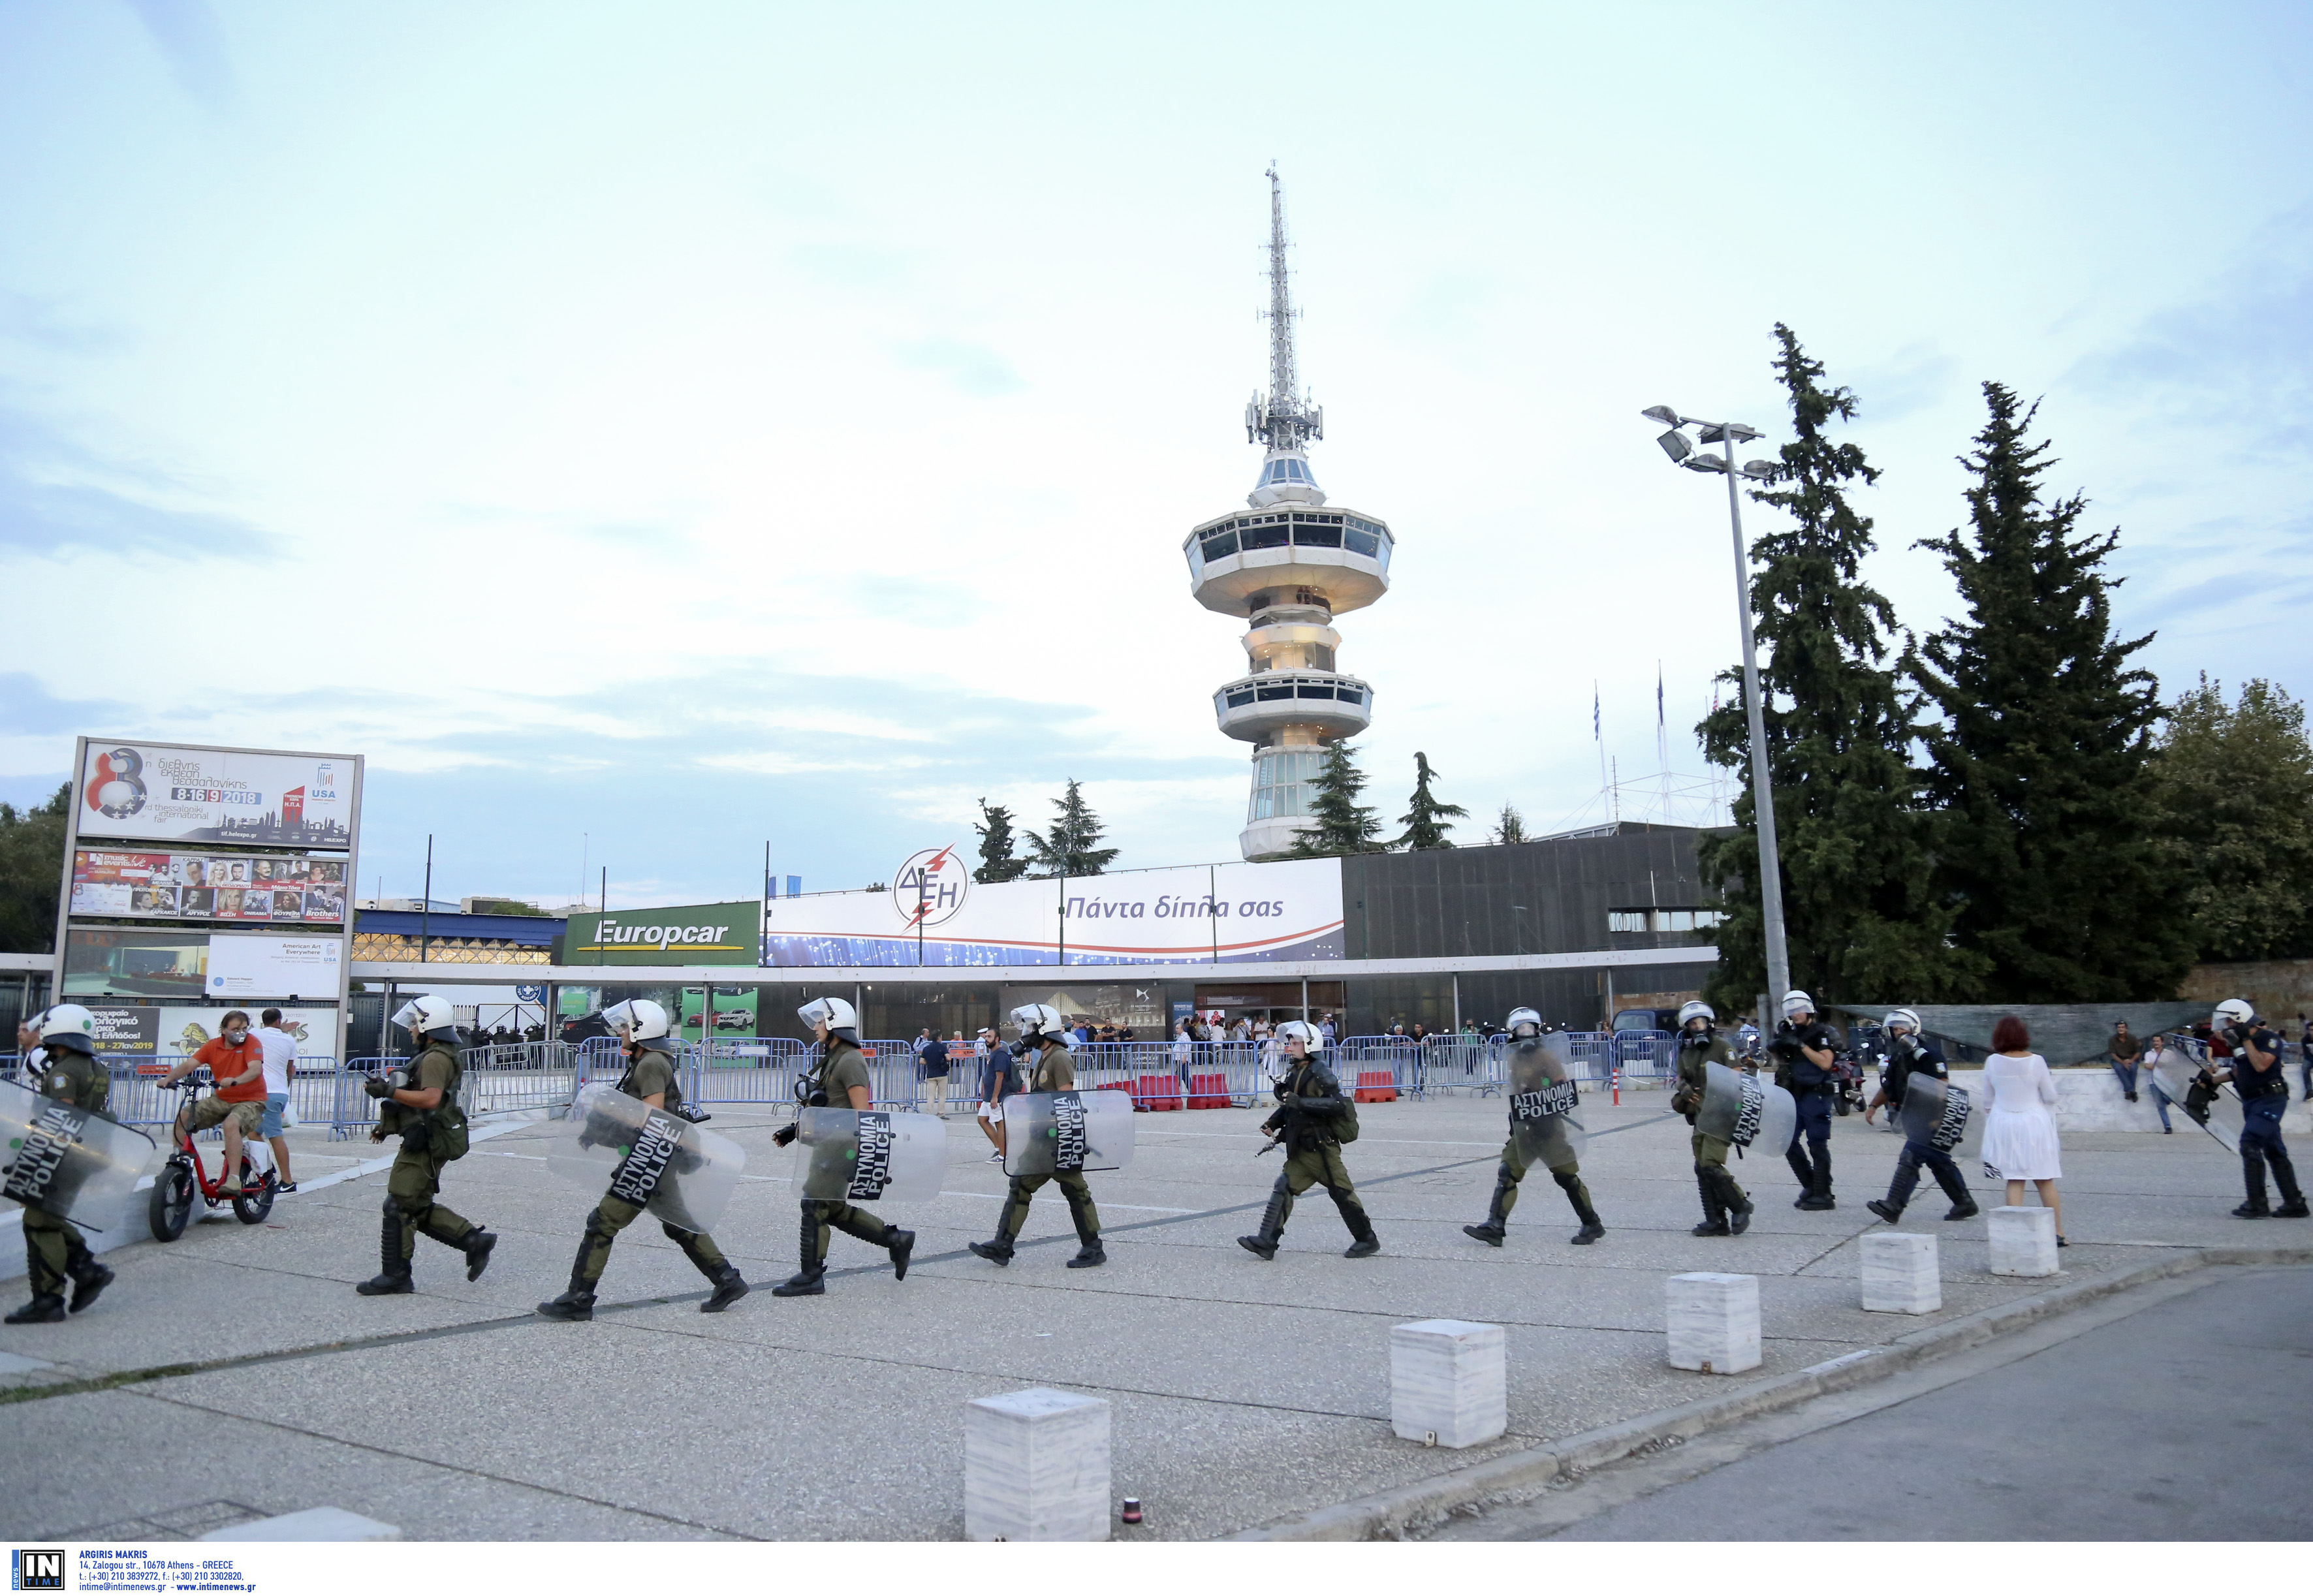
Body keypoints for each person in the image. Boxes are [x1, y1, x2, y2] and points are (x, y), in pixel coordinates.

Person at [536, 999, 747, 1321]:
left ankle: (579, 1299)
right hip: (657, 1156)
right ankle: (727, 1279)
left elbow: (653, 1114)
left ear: (640, 1030)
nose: (621, 1031)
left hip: (650, 1156)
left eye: (625, 1026)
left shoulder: (650, 1063)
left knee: (603, 1223)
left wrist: (611, 1112)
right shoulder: (651, 1060)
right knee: (679, 1224)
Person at [768, 996, 915, 1295]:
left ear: (835, 1023)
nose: (816, 1027)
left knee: (813, 1202)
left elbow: (862, 1113)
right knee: (831, 1208)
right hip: (829, 1142)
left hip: (841, 1146)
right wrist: (795, 1130)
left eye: (821, 1021)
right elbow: (829, 1103)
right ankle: (896, 1240)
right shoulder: (833, 1057)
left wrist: (860, 1154)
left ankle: (811, 1275)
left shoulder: (850, 1060)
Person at [356, 995, 496, 1294]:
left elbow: (431, 1099)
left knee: (399, 1203)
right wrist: (386, 1124)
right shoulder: (435, 1054)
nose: (410, 1029)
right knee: (414, 1204)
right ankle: (473, 1241)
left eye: (414, 1023)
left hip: (428, 1139)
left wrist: (388, 1090)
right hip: (425, 1135)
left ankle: (396, 1276)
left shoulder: (435, 1058)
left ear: (427, 1024)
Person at [969, 1004, 1106, 1269]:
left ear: (1045, 1029)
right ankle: (1003, 1245)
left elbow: (1067, 1100)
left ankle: (1093, 1248)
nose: (1027, 1033)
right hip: (1044, 1138)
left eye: (1031, 1027)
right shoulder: (1043, 1056)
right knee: (1023, 1186)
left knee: (1075, 1190)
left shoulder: (1059, 1058)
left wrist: (1065, 1138)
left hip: (1056, 1139)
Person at [5, 1006, 118, 1323]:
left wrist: (28, 1157)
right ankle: (88, 1271)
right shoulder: (97, 1068)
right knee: (51, 1216)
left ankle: (48, 1300)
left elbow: (61, 1119)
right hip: (86, 1155)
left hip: (61, 1157)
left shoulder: (63, 1072)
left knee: (40, 1224)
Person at [1462, 1007, 1604, 1247]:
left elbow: (1561, 1087)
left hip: (1549, 1127)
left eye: (1530, 1028)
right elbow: (1517, 1090)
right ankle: (1495, 1226)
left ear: (1537, 1030)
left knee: (1567, 1177)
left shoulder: (1546, 1056)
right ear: (1513, 1032)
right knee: (1508, 1172)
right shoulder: (1514, 1057)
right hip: (1526, 1128)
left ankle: (1592, 1223)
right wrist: (1516, 1117)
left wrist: (1545, 1105)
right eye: (1521, 1029)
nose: (1526, 1033)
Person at [1238, 1019, 1379, 1260]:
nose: (1289, 1047)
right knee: (1284, 1186)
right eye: (1290, 1042)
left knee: (1342, 1193)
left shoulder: (1320, 1072)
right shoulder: (1296, 1070)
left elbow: (1337, 1105)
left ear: (1310, 1045)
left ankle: (1367, 1239)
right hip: (1302, 1149)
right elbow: (1291, 1105)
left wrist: (1300, 1103)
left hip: (1321, 1148)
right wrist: (1274, 1121)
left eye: (1294, 1043)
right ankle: (1267, 1241)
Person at [1864, 1009, 1978, 1225]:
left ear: (1913, 1029)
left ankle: (1893, 1206)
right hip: (1913, 1116)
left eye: (1901, 1028)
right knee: (1939, 1160)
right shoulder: (1899, 1056)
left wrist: (1937, 1118)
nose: (1897, 1033)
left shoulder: (1929, 1055)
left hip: (1931, 1117)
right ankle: (1964, 1202)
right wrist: (1873, 1106)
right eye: (1894, 1029)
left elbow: (1942, 1088)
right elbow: (1890, 1085)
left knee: (1911, 1156)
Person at [2206, 997, 2306, 1219]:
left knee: (2250, 1143)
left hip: (2270, 1099)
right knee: (2274, 1151)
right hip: (2252, 1102)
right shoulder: (2241, 1044)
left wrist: (2246, 1040)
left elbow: (2261, 1065)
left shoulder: (2269, 1039)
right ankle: (2295, 1203)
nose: (2225, 1028)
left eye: (2229, 1023)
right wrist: (2209, 1082)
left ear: (2240, 1021)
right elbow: (2241, 1071)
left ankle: (2257, 1203)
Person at [1667, 999, 1753, 1237]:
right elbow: (1680, 1077)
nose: (1698, 1027)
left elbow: (1738, 1080)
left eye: (1701, 1022)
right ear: (1688, 1028)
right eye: (1693, 1024)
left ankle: (1740, 1204)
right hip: (1700, 1116)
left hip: (1722, 1114)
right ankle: (1715, 1220)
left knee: (1711, 1165)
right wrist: (1683, 1088)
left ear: (1709, 1023)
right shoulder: (1687, 1052)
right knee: (1701, 1168)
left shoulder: (1723, 1047)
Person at [1980, 1015, 2066, 1245]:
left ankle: (2013, 1235)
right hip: (2033, 1123)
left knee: (2014, 1179)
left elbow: (1987, 1101)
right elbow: (2050, 1096)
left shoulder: (1992, 1062)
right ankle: (2057, 1233)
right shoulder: (2036, 1061)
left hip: (2003, 1123)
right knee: (2044, 1179)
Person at [163, 1010, 268, 1195]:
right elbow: (190, 1065)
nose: (241, 1032)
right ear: (223, 1030)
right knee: (184, 1117)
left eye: (244, 1028)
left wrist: (236, 1080)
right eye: (235, 1028)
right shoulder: (213, 1046)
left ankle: (234, 1179)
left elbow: (255, 1069)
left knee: (231, 1124)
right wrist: (168, 1079)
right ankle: (178, 1164)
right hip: (222, 1098)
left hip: (251, 1100)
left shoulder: (252, 1042)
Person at [1768, 991, 1841, 1210]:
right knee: (1788, 1142)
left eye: (1799, 1010)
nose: (1795, 1015)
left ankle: (1824, 1194)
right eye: (1791, 1011)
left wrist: (1800, 1045)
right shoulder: (1792, 1032)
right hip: (1795, 1093)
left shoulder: (1822, 1033)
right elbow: (1783, 1061)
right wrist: (1779, 1045)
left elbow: (1826, 1063)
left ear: (1809, 1010)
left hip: (1816, 1093)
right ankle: (1812, 1185)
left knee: (1817, 1143)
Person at [253, 1007, 298, 1193]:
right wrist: (286, 1087)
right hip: (279, 1091)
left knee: (271, 1137)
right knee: (254, 1132)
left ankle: (287, 1181)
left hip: (262, 1091)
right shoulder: (289, 1040)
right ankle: (268, 1171)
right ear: (278, 1021)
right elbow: (290, 1069)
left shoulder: (255, 1034)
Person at [975, 1025, 1016, 1162]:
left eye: (989, 1037)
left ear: (997, 1039)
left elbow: (1000, 1077)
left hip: (997, 1097)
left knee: (1000, 1123)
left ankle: (1003, 1156)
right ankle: (999, 1147)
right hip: (989, 1096)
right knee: (982, 1120)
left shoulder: (1000, 1054)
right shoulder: (993, 1054)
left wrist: (995, 1097)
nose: (986, 1039)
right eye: (986, 1037)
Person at [2141, 1031, 2177, 1133]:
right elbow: (2147, 1066)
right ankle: (2168, 1126)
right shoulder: (2149, 1054)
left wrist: (2159, 1065)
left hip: (2167, 1080)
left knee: (2169, 1097)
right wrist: (2159, 1064)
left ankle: (2167, 1100)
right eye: (2154, 1041)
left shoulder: (2169, 1054)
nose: (2155, 1043)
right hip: (2154, 1082)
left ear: (2162, 1042)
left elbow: (2174, 1065)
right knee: (2160, 1106)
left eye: (2158, 1041)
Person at [915, 1027, 951, 1116]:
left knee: (931, 1095)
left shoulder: (927, 1048)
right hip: (942, 1073)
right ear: (939, 1038)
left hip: (931, 1074)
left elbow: (921, 1061)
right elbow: (948, 1058)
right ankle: (941, 1113)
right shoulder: (942, 1047)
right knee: (942, 1094)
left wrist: (930, 1062)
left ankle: (929, 1112)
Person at [2106, 1021, 2143, 1103]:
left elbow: (2138, 1052)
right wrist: (2123, 1063)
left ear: (2126, 1029)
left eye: (2123, 1027)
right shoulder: (2112, 1039)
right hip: (2118, 1060)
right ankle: (2132, 1091)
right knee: (2119, 1069)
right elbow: (2113, 1054)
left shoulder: (2132, 1038)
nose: (2121, 1029)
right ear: (2116, 1029)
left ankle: (2128, 1091)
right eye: (2119, 1027)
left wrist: (2131, 1061)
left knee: (2133, 1068)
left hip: (2131, 1059)